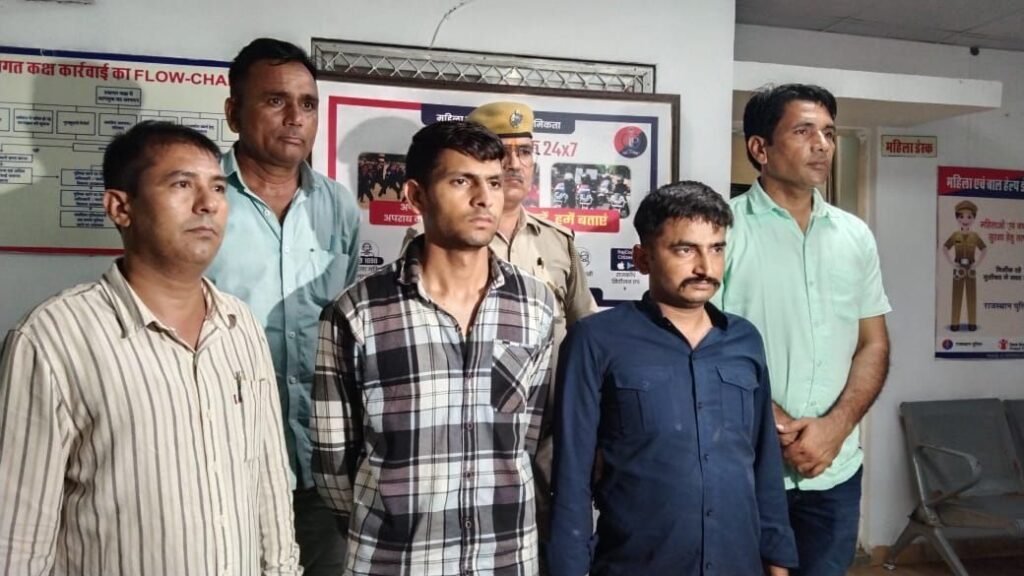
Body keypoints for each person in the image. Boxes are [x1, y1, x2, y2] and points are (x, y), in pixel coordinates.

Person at [0, 121, 299, 575]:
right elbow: (16, 541)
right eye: (182, 184)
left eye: (218, 188)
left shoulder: (241, 327)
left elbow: (269, 484)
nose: (208, 204)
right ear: (121, 207)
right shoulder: (53, 340)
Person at [312, 121, 556, 575]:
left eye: (494, 183)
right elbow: (334, 464)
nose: (484, 198)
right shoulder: (358, 312)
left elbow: (530, 435)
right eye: (461, 181)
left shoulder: (535, 305)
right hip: (396, 561)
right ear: (416, 195)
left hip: (503, 557)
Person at [549, 181, 796, 576]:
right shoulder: (596, 340)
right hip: (636, 565)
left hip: (738, 563)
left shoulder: (744, 340)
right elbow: (570, 477)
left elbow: (764, 462)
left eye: (716, 248)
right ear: (642, 258)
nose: (705, 267)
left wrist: (778, 557)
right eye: (685, 250)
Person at [403, 102, 596, 554]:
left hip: (549, 432)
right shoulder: (429, 240)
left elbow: (586, 335)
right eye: (502, 151)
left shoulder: (557, 241)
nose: (513, 164)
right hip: (463, 436)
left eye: (524, 152)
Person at [715, 83, 892, 576]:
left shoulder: (855, 236)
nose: (823, 145)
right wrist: (782, 432)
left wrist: (834, 429)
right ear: (760, 148)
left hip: (835, 469)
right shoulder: (722, 230)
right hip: (746, 469)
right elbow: (705, 347)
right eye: (803, 131)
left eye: (829, 133)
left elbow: (873, 343)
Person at [205, 37, 361, 575]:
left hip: (322, 463)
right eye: (275, 101)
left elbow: (344, 325)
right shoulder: (201, 198)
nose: (295, 117)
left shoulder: (338, 206)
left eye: (308, 104)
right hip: (227, 459)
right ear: (234, 113)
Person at [943, 200, 986, 331]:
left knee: (971, 296)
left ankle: (972, 324)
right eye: (961, 216)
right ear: (957, 218)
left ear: (973, 218)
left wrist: (977, 263)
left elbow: (984, 249)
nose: (965, 220)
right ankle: (955, 323)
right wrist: (951, 263)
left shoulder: (975, 236)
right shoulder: (955, 235)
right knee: (956, 296)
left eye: (969, 217)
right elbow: (945, 247)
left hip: (971, 268)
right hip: (958, 268)